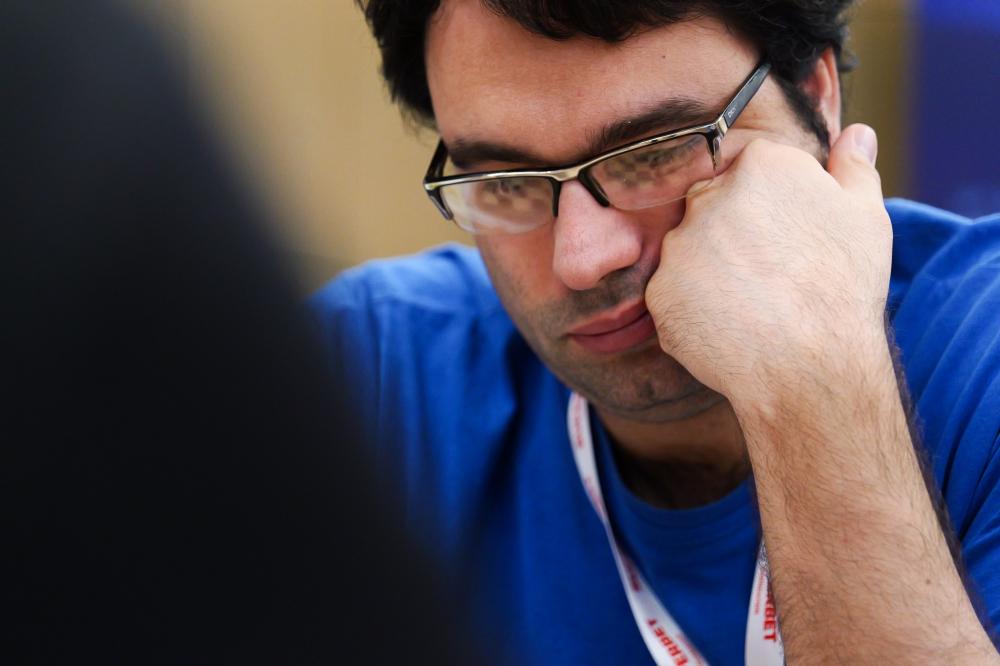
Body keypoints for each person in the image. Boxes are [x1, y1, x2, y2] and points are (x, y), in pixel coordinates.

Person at [312, 1, 1000, 663]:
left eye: (654, 152)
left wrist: (809, 383)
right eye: (506, 182)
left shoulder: (980, 359)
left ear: (815, 96)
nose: (582, 260)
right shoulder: (369, 376)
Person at [1, 1, 479, 663]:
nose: (582, 258)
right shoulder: (374, 361)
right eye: (507, 183)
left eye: (627, 163)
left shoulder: (71, 87)